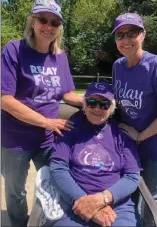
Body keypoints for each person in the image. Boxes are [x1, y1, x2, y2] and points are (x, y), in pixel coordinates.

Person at [1, 0, 83, 227]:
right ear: (32, 22)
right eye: (43, 20)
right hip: (15, 139)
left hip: (47, 139)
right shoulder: (14, 50)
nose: (48, 26)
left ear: (60, 28)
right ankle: (19, 223)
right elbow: (4, 99)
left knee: (52, 184)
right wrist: (46, 122)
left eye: (54, 23)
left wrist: (92, 102)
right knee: (15, 190)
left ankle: (48, 222)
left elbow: (66, 93)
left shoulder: (60, 56)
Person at [111, 12, 157, 219]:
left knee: (150, 197)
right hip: (128, 145)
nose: (126, 40)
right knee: (129, 193)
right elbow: (118, 103)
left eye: (132, 33)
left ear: (143, 35)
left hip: (155, 145)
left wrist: (141, 136)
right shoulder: (118, 66)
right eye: (120, 35)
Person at [42, 81, 142, 227]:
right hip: (74, 203)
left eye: (104, 104)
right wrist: (84, 202)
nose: (97, 108)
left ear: (112, 108)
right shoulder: (70, 128)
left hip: (116, 206)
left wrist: (103, 199)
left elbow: (132, 176)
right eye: (91, 103)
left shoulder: (122, 133)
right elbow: (58, 168)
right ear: (84, 105)